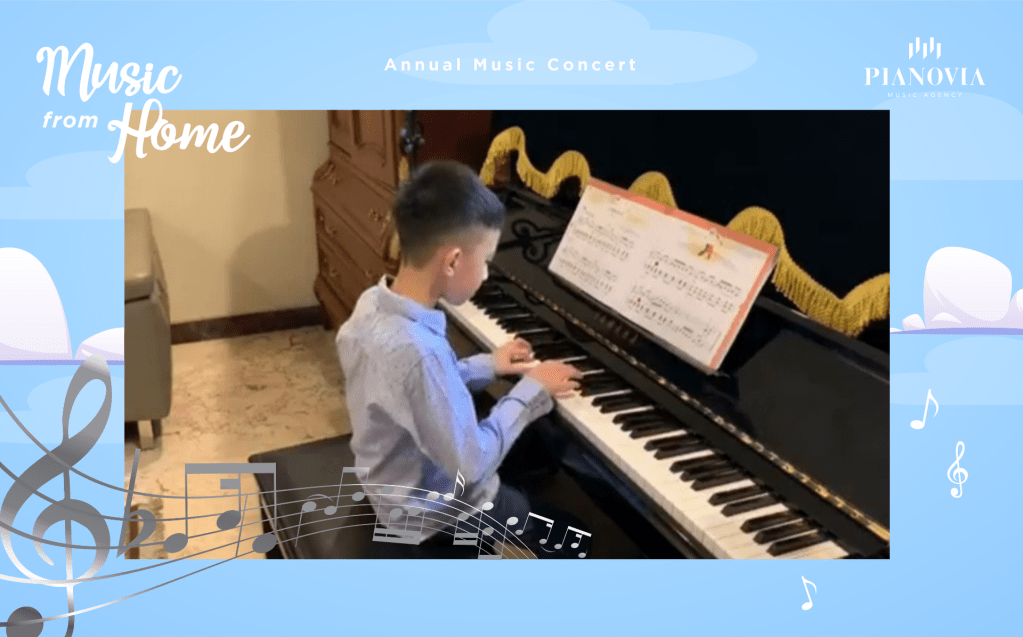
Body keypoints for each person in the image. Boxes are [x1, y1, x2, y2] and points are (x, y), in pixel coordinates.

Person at [335, 161, 589, 558]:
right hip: (434, 514)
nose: (486, 275)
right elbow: (471, 464)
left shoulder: (372, 305)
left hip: (385, 481)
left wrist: (488, 365)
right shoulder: (421, 352)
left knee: (525, 454)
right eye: (485, 261)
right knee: (578, 534)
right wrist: (531, 390)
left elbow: (417, 389)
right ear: (452, 261)